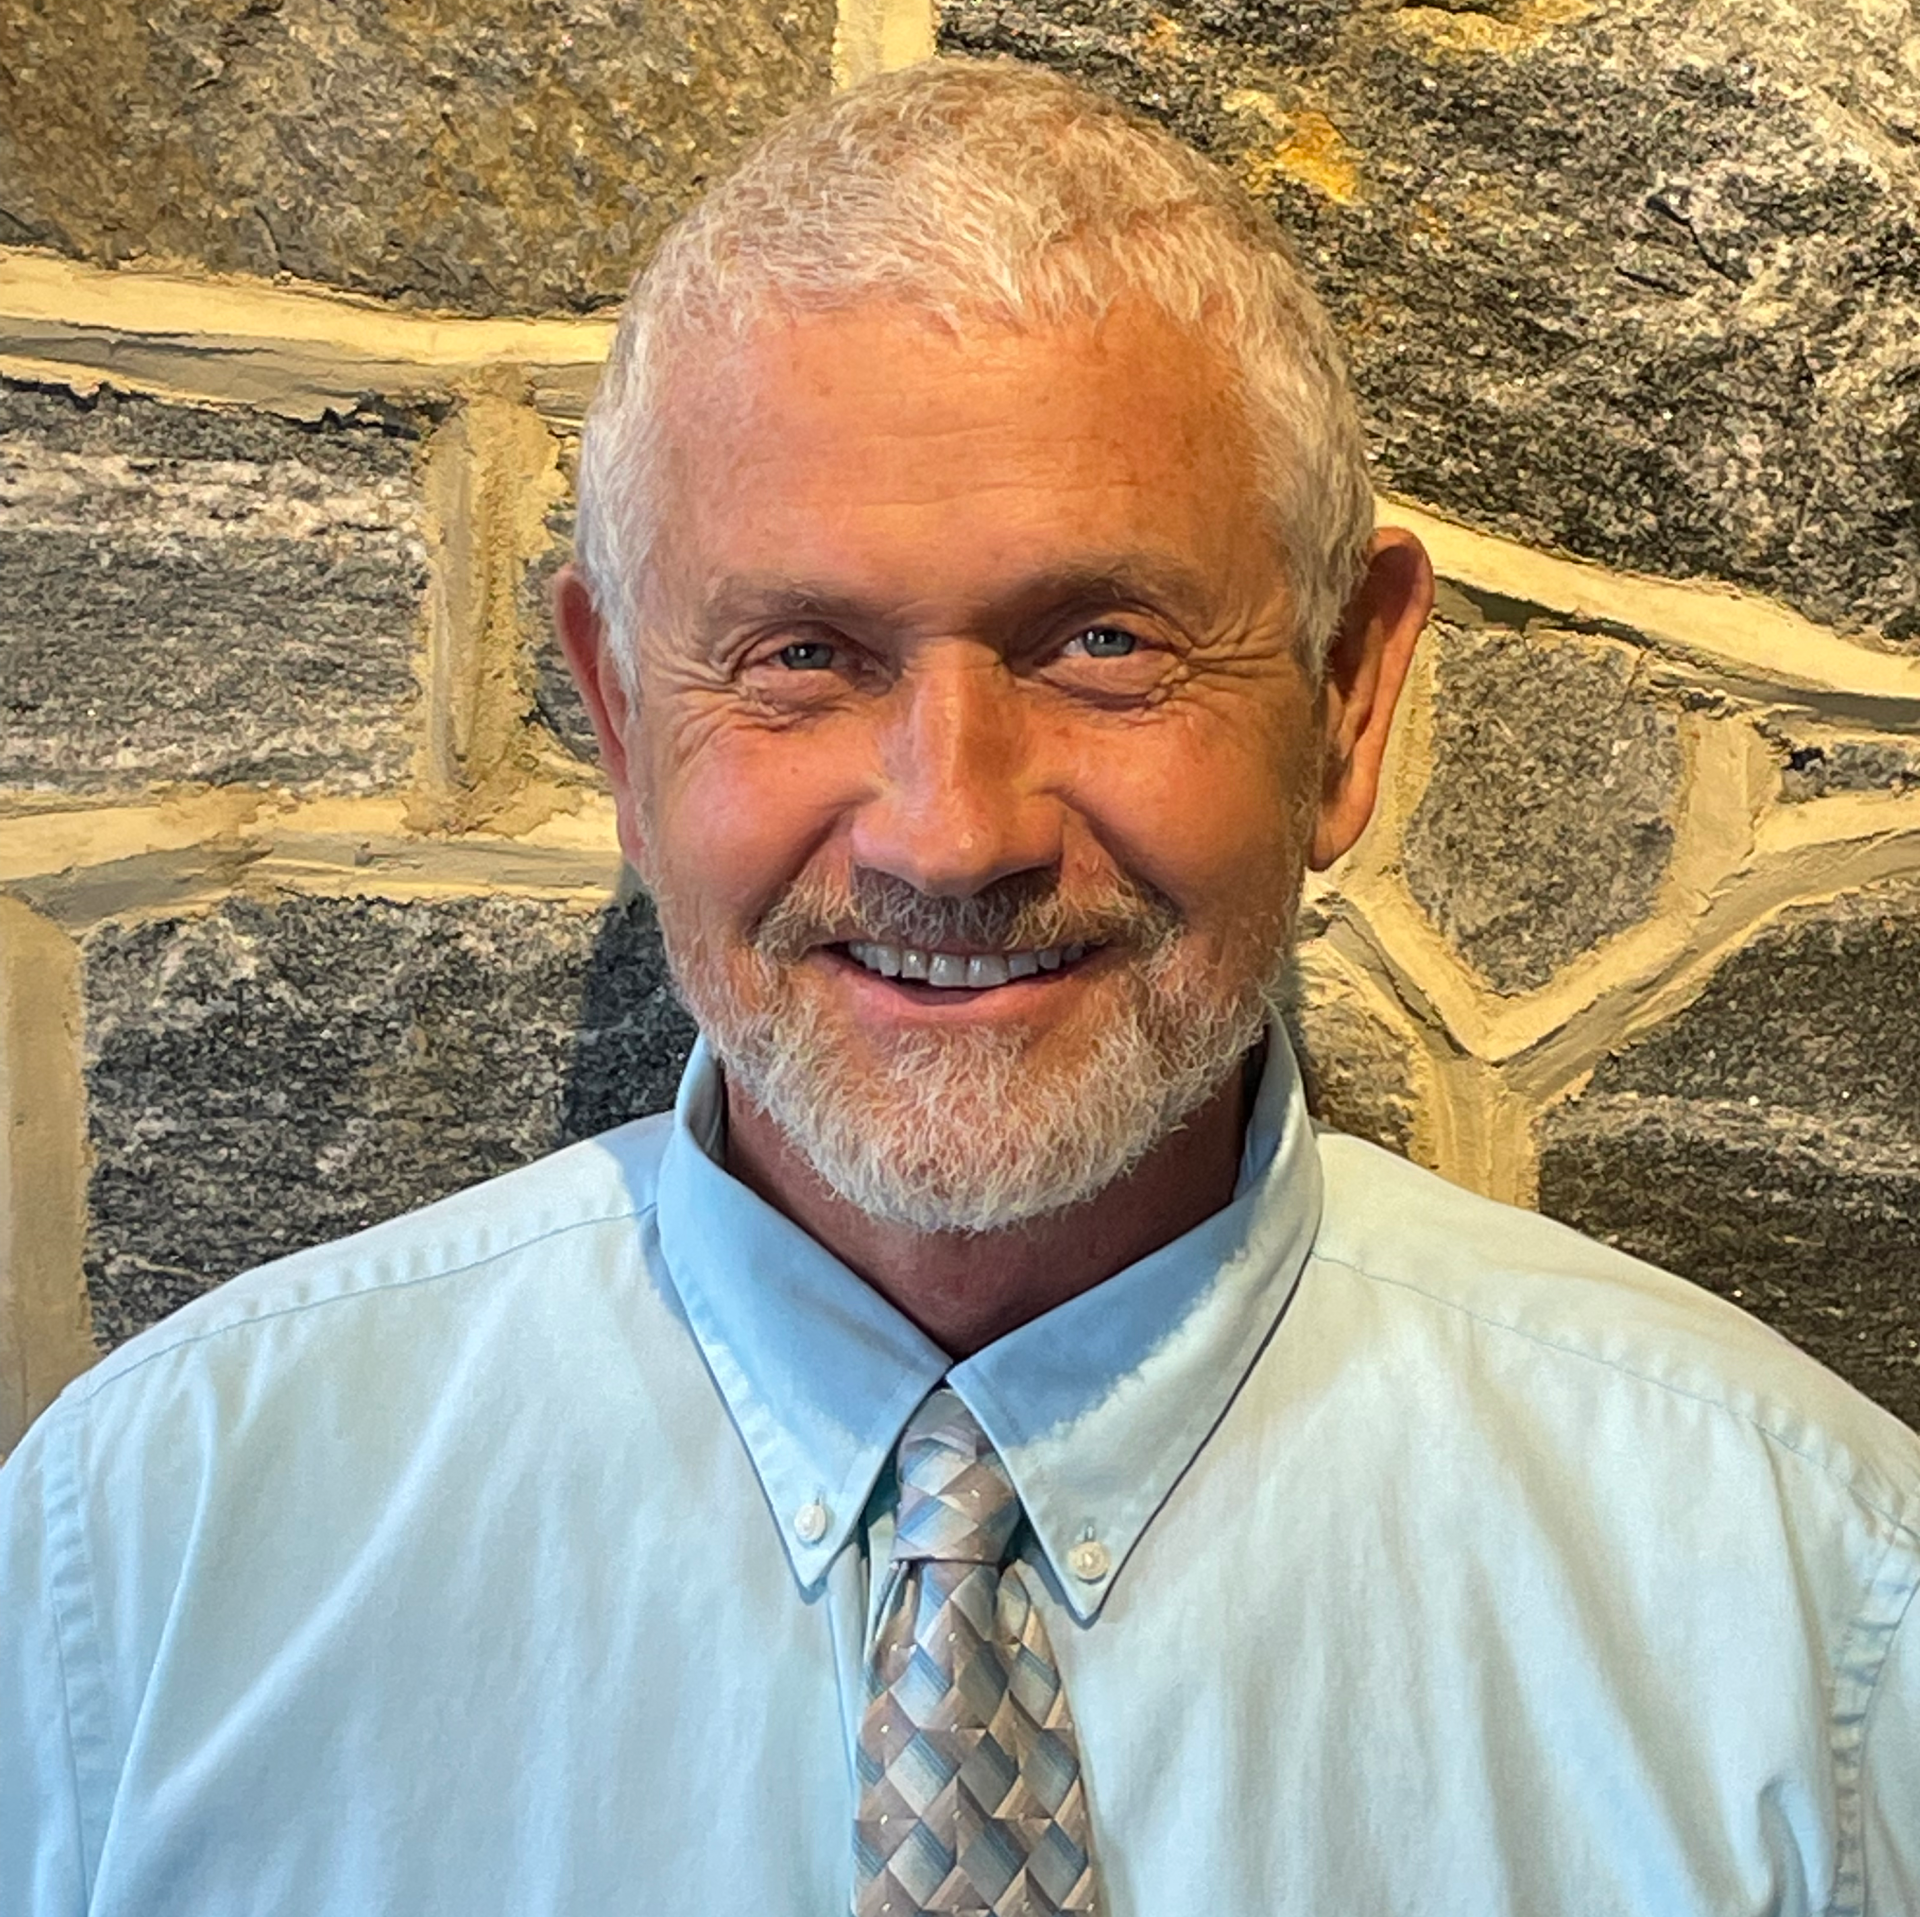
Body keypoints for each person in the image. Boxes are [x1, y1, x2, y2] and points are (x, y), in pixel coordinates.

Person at [3, 56, 1915, 1916]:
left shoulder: (1809, 1616)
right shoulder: (150, 1568)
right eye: (802, 655)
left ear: (1345, 699)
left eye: (1102, 642)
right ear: (621, 722)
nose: (951, 835)